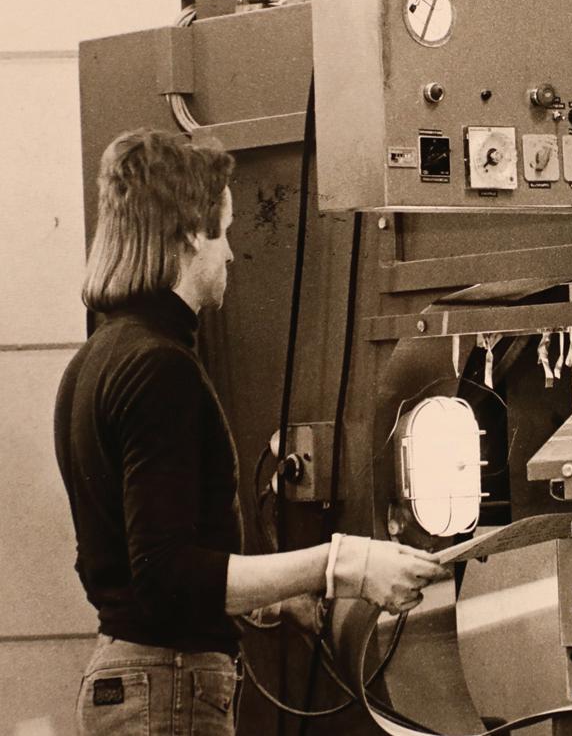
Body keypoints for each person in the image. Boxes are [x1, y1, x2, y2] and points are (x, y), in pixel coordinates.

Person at [55, 129, 449, 735]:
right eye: (226, 232)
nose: (232, 255)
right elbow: (165, 577)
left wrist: (274, 596)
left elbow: (125, 574)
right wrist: (345, 564)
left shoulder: (95, 361)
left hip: (132, 681)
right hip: (167, 689)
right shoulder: (159, 368)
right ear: (193, 231)